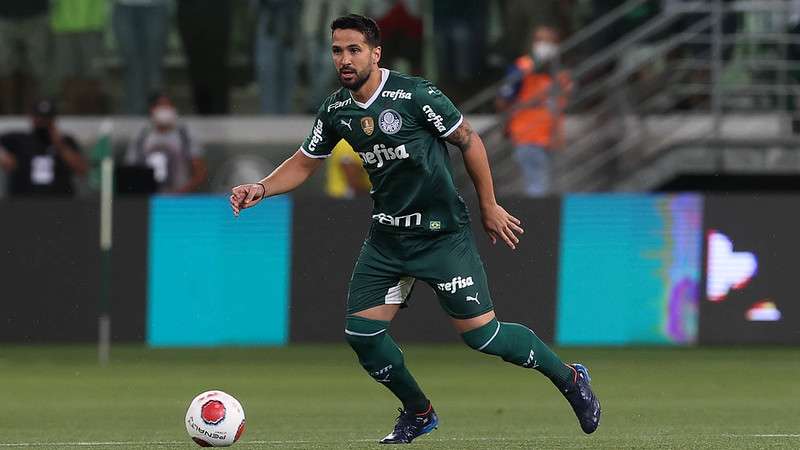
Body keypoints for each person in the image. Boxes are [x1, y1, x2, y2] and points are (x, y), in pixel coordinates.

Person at [230, 14, 600, 444]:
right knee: (362, 336)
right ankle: (419, 412)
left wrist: (489, 205)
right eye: (337, 50)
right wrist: (262, 187)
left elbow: (470, 141)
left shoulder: (415, 94)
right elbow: (304, 162)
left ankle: (570, 378)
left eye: (354, 50)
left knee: (484, 337)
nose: (344, 60)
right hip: (387, 240)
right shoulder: (336, 110)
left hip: (442, 236)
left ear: (375, 53)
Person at [496, 25, 571, 197]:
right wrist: (509, 123)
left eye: (549, 41)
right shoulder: (522, 67)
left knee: (551, 189)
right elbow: (503, 99)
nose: (543, 45)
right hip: (528, 137)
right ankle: (537, 222)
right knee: (537, 187)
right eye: (539, 40)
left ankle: (545, 222)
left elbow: (561, 105)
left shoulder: (560, 73)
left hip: (552, 140)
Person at [0, 100, 88, 196]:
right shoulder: (18, 139)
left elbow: (82, 170)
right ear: (32, 117)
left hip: (60, 202)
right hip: (23, 201)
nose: (43, 123)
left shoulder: (66, 141)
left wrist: (60, 146)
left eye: (47, 119)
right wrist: (3, 156)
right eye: (39, 118)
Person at [124, 93, 207, 193]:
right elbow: (131, 171)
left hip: (180, 199)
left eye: (168, 106)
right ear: (152, 109)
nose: (165, 109)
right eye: (161, 105)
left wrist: (182, 192)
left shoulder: (185, 135)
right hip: (147, 200)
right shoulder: (141, 136)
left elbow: (199, 171)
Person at [112, 0, 168, 115]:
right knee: (131, 66)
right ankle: (135, 117)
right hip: (123, 8)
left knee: (154, 66)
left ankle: (159, 118)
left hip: (156, 7)